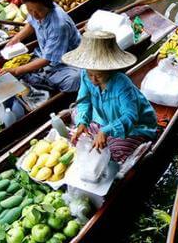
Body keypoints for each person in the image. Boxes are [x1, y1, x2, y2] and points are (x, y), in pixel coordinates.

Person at [64, 31, 158, 163]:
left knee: (116, 153)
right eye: (90, 74)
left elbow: (130, 116)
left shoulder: (122, 84)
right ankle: (99, 133)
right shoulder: (85, 75)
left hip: (135, 126)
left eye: (99, 75)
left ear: (109, 69)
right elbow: (84, 102)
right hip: (104, 119)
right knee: (76, 115)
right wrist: (82, 123)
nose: (93, 80)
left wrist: (106, 131)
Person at [0, 0, 81, 92]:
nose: (34, 14)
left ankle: (46, 81)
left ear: (48, 5)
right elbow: (32, 23)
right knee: (27, 63)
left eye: (38, 11)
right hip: (43, 53)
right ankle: (40, 74)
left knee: (74, 80)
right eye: (30, 10)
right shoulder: (36, 10)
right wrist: (16, 38)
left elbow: (47, 59)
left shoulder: (59, 26)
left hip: (66, 61)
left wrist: (16, 71)